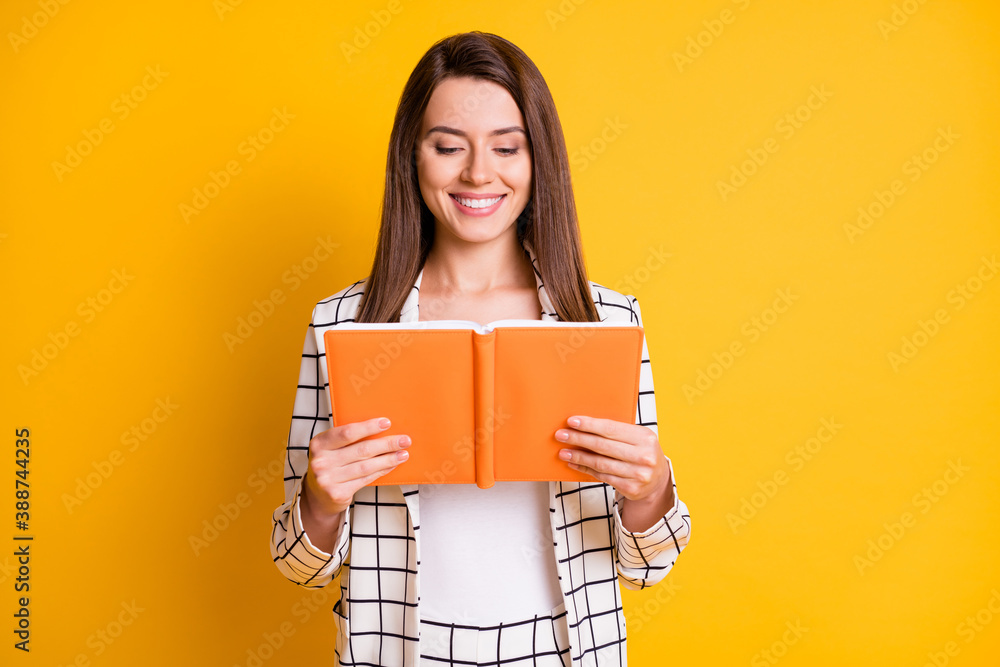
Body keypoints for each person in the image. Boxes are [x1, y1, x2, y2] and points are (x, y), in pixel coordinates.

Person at [269, 31, 691, 667]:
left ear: (537, 161)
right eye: (447, 147)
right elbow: (298, 566)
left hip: (567, 651)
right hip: (398, 651)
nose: (477, 173)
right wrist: (320, 501)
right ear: (412, 158)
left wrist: (651, 489)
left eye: (506, 148)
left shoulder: (605, 321)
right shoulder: (344, 325)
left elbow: (648, 567)